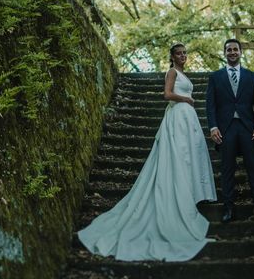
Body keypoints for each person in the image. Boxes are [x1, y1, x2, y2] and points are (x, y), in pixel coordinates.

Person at [78, 43, 217, 261]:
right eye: (179, 53)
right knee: (179, 157)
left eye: (185, 53)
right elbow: (167, 94)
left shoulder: (183, 73)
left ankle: (189, 195)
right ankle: (178, 198)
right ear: (172, 56)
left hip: (188, 119)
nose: (183, 56)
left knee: (190, 158)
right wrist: (186, 99)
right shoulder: (172, 72)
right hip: (178, 117)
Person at [206, 38, 254, 224]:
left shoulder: (252, 76)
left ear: (241, 52)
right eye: (229, 50)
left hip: (248, 128)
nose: (232, 52)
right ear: (224, 53)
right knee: (227, 169)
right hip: (225, 129)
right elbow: (210, 106)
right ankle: (228, 209)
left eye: (235, 49)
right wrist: (213, 127)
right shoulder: (215, 77)